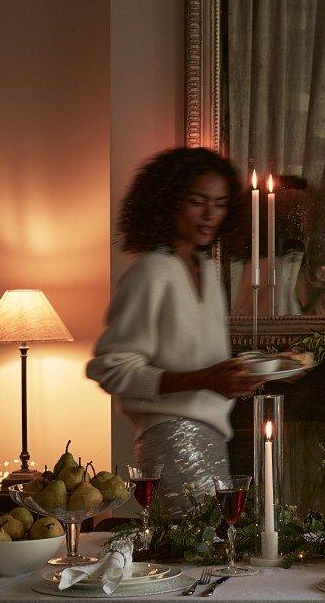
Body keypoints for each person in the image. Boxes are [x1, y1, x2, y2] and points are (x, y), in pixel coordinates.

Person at [87, 147, 263, 516]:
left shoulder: (207, 271)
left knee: (216, 556)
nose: (210, 214)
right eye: (197, 201)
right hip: (170, 439)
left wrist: (254, 371)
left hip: (214, 437)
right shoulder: (152, 271)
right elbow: (110, 368)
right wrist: (204, 379)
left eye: (220, 203)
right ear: (168, 201)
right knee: (197, 557)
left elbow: (206, 364)